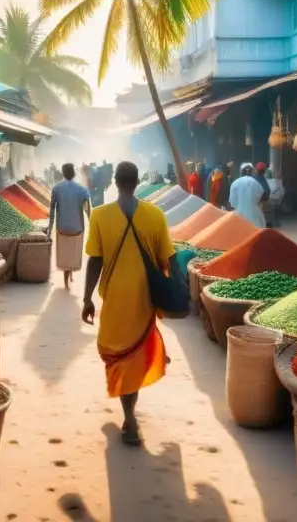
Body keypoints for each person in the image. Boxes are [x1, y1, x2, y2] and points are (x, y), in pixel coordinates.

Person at [82, 161, 177, 446]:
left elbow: (95, 260)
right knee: (133, 357)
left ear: (114, 181)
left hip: (114, 299)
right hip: (144, 300)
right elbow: (168, 260)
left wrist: (87, 298)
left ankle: (130, 418)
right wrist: (175, 292)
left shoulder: (100, 216)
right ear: (137, 182)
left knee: (116, 353)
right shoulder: (155, 215)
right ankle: (130, 414)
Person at [48, 163, 92, 289]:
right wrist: (91, 223)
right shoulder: (82, 189)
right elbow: (88, 209)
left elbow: (52, 209)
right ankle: (70, 273)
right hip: (77, 228)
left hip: (61, 227)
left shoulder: (56, 188)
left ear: (63, 173)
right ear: (73, 173)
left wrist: (49, 228)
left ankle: (66, 277)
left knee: (64, 254)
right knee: (73, 253)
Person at [229, 163, 267, 228]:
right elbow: (260, 197)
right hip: (254, 215)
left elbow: (232, 202)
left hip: (239, 215)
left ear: (241, 172)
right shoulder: (256, 183)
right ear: (252, 172)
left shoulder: (235, 183)